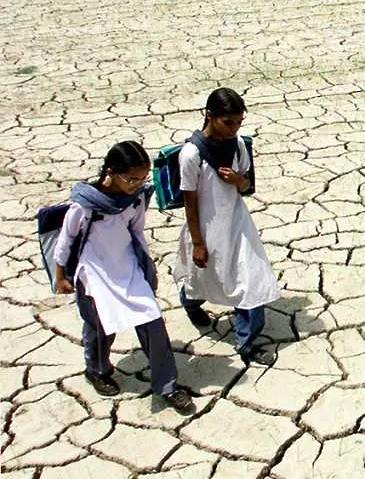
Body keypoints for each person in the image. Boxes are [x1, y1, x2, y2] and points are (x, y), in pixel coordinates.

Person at [54, 141, 192, 410]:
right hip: (94, 272)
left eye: (142, 179)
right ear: (111, 172)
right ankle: (97, 370)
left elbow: (137, 232)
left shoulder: (136, 199)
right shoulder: (86, 205)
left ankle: (167, 385)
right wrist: (61, 276)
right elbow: (66, 240)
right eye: (131, 179)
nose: (137, 185)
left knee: (152, 319)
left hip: (126, 267)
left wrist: (146, 267)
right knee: (100, 325)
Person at [173, 87, 281, 366]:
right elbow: (190, 202)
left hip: (237, 224)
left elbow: (246, 186)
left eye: (239, 123)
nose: (234, 128)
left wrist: (237, 180)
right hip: (207, 229)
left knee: (252, 281)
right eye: (228, 122)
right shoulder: (191, 154)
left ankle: (246, 342)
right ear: (210, 116)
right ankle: (190, 303)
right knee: (203, 276)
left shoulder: (239, 145)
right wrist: (197, 243)